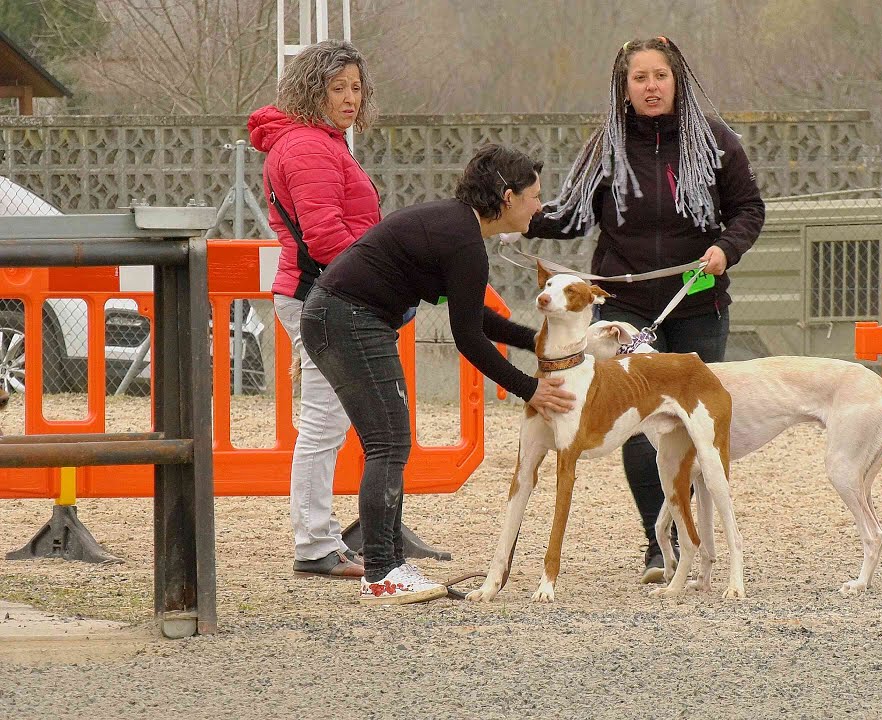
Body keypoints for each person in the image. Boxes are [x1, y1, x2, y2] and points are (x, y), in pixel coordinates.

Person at [525, 36, 765, 583]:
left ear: (677, 81)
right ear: (624, 87)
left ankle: (701, 544)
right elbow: (570, 217)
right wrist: (515, 216)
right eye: (640, 78)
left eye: (660, 76)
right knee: (637, 424)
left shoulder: (717, 143)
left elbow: (749, 208)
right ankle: (659, 546)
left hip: (698, 302)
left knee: (696, 431)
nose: (651, 86)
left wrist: (725, 250)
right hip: (626, 308)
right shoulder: (604, 148)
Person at [301, 144, 577, 605]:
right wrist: (531, 388)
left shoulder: (457, 227)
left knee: (389, 440)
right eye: (534, 196)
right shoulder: (464, 240)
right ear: (507, 197)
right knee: (388, 442)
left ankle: (388, 563)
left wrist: (537, 342)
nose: (540, 206)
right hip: (347, 319)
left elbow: (476, 317)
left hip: (340, 317)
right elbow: (468, 339)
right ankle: (383, 572)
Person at [247, 40, 380, 579]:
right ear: (312, 90)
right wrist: (383, 274)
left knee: (326, 422)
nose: (351, 98)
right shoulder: (308, 147)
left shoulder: (319, 142)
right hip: (320, 293)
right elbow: (325, 234)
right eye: (338, 88)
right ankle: (313, 544)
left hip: (321, 291)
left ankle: (320, 539)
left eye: (356, 88)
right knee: (324, 423)